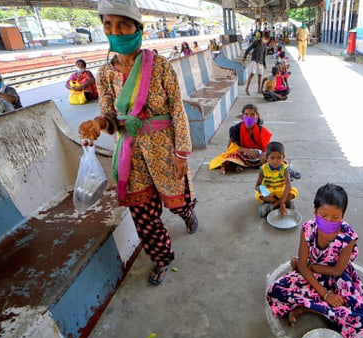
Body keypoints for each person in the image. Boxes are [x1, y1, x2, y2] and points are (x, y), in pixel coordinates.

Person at [78, 0, 198, 286]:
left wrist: (182, 152)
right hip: (130, 153)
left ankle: (188, 212)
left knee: (177, 200)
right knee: (143, 213)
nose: (115, 31)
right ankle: (161, 258)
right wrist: (98, 124)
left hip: (164, 149)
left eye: (123, 24)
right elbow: (109, 114)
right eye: (108, 24)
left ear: (137, 28)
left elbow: (177, 111)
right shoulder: (105, 73)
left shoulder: (160, 67)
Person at [266, 183, 363, 338]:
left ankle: (307, 308)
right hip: (310, 274)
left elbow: (337, 270)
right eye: (323, 215)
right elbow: (302, 265)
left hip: (336, 277)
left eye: (335, 217)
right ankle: (319, 309)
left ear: (343, 216)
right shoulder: (308, 229)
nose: (329, 221)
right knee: (275, 291)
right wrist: (325, 294)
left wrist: (313, 267)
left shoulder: (348, 236)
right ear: (315, 211)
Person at [209, 103, 272, 174]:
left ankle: (241, 165)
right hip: (242, 154)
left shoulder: (263, 131)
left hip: (257, 155)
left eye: (252, 114)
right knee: (231, 158)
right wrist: (245, 150)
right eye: (246, 114)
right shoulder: (236, 129)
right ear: (242, 117)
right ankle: (240, 165)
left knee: (273, 158)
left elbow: (267, 148)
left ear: (257, 117)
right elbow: (230, 148)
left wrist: (264, 154)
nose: (249, 117)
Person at [255, 141, 298, 217]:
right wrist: (260, 188)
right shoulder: (263, 169)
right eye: (272, 158)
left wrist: (281, 202)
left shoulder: (285, 168)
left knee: (294, 192)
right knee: (259, 195)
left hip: (281, 190)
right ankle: (281, 202)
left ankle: (273, 205)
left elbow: (288, 186)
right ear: (267, 158)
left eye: (279, 158)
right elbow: (257, 185)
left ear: (283, 157)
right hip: (269, 192)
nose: (275, 161)